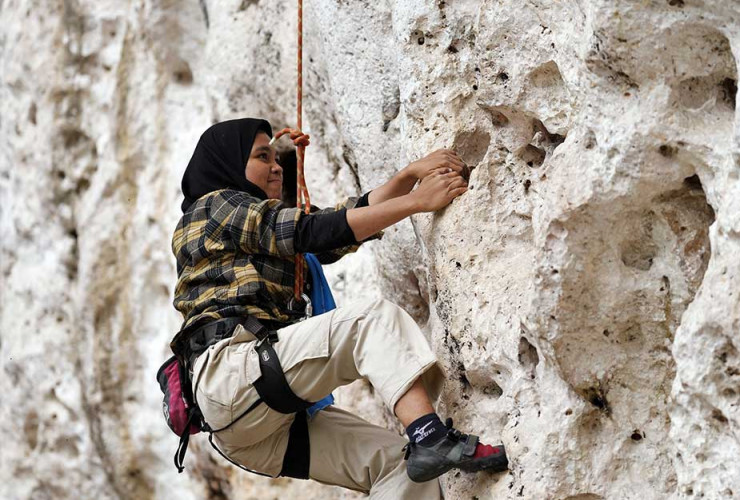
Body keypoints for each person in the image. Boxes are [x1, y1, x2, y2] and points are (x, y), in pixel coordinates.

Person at [170, 118, 508, 498]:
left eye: (274, 156)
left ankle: (426, 447)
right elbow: (311, 231)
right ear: (227, 164)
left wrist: (408, 176)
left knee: (404, 469)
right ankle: (431, 435)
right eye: (262, 156)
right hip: (231, 375)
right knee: (370, 321)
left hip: (251, 422)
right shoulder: (214, 207)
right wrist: (415, 202)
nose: (277, 165)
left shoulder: (252, 228)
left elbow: (331, 227)